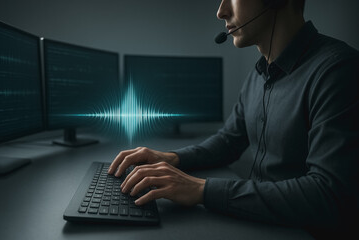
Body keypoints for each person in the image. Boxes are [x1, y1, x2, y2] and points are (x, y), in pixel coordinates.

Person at [108, 0, 358, 238]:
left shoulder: (338, 71)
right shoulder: (258, 75)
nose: (221, 11)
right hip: (260, 222)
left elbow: (327, 195)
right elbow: (228, 140)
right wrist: (173, 158)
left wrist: (200, 189)